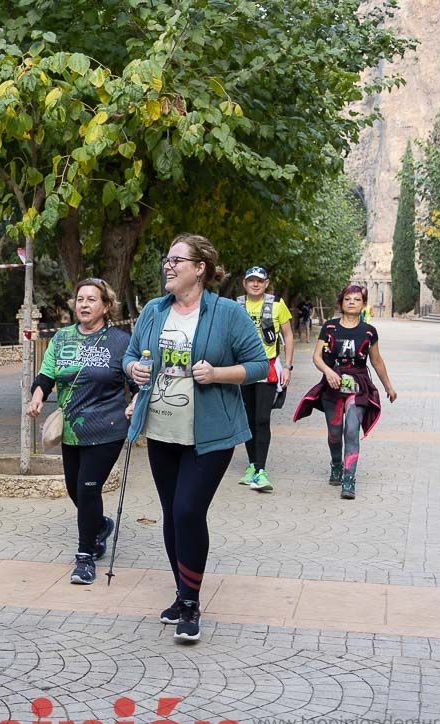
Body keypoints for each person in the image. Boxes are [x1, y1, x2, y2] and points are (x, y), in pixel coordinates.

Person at [123, 234, 268, 643]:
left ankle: (190, 602)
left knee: (188, 510)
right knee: (172, 513)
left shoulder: (226, 314)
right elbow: (130, 355)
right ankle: (183, 592)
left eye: (176, 260)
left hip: (211, 433)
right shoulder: (153, 311)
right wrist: (133, 370)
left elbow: (259, 366)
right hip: (162, 430)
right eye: (166, 260)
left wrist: (218, 374)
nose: (167, 266)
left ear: (200, 267)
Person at [27, 278, 133, 585]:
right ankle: (99, 525)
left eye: (92, 299)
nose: (84, 304)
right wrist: (36, 397)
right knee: (75, 490)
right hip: (72, 429)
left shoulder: (120, 342)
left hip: (108, 427)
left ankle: (85, 557)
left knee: (87, 489)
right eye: (80, 299)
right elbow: (46, 376)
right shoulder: (62, 338)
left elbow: (136, 381)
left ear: (106, 306)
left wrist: (135, 401)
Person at [292, 284, 397, 499]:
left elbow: (376, 361)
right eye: (348, 298)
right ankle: (337, 464)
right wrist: (328, 372)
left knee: (351, 429)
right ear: (341, 302)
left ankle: (349, 479)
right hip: (333, 385)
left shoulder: (369, 331)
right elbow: (316, 356)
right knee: (334, 433)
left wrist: (388, 386)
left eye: (357, 299)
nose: (352, 302)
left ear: (363, 304)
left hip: (358, 385)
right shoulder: (330, 328)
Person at [235, 266, 295, 492]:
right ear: (244, 283)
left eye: (259, 281)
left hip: (268, 367)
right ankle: (251, 465)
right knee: (248, 419)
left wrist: (287, 367)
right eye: (251, 280)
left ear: (266, 283)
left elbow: (288, 336)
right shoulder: (236, 306)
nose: (255, 284)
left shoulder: (277, 304)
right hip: (243, 369)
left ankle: (261, 469)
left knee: (262, 418)